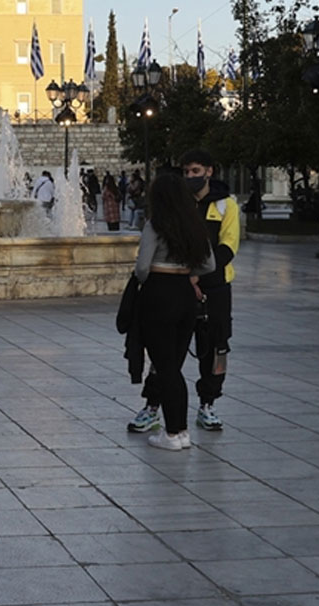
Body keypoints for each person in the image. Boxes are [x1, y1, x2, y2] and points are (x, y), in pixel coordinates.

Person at [129, 149, 240, 435]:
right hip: (181, 287)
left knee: (215, 346)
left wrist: (196, 275)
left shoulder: (227, 206)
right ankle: (152, 404)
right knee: (167, 351)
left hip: (214, 286)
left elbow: (228, 247)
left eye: (195, 171)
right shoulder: (180, 204)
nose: (190, 176)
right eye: (186, 172)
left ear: (209, 171)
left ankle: (208, 403)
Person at [131, 174, 215, 451]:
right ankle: (181, 432)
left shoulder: (155, 225)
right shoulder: (194, 225)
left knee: (164, 367)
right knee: (174, 366)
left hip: (159, 293)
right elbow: (209, 265)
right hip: (184, 294)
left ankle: (172, 432)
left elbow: (142, 267)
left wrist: (152, 277)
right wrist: (187, 273)